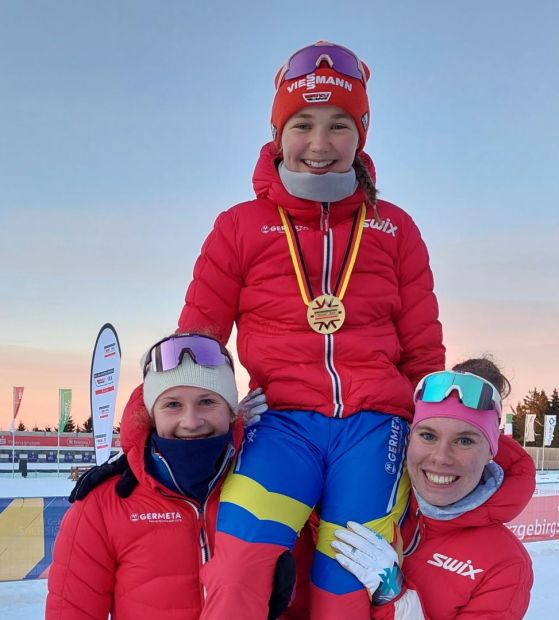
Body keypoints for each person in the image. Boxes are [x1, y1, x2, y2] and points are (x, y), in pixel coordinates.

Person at [178, 41, 445, 619]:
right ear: (278, 132)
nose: (319, 144)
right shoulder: (239, 226)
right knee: (237, 567)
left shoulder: (395, 228)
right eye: (302, 124)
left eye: (338, 125)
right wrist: (147, 427)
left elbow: (424, 351)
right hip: (281, 426)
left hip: (375, 431)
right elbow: (194, 349)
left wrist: (440, 432)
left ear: (362, 132)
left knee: (345, 579)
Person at [46, 333, 292, 620]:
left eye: (207, 401)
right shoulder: (102, 504)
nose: (191, 421)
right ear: (152, 415)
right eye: (172, 404)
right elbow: (71, 612)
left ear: (232, 412)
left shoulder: (272, 488)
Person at [333, 357, 535, 619]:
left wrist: (392, 595)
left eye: (464, 441)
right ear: (409, 439)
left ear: (490, 452)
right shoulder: (368, 495)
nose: (441, 458)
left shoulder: (505, 564)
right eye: (428, 436)